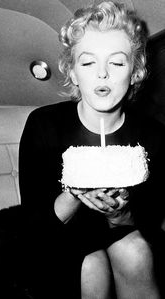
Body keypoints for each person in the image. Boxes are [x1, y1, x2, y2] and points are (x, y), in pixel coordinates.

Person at [19, 1, 165, 298]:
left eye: (117, 62)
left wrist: (120, 214)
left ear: (135, 72)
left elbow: (152, 221)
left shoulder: (154, 135)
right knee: (91, 264)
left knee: (134, 251)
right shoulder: (43, 125)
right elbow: (34, 226)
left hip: (125, 230)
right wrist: (73, 194)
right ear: (72, 72)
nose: (102, 74)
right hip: (61, 232)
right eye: (87, 63)